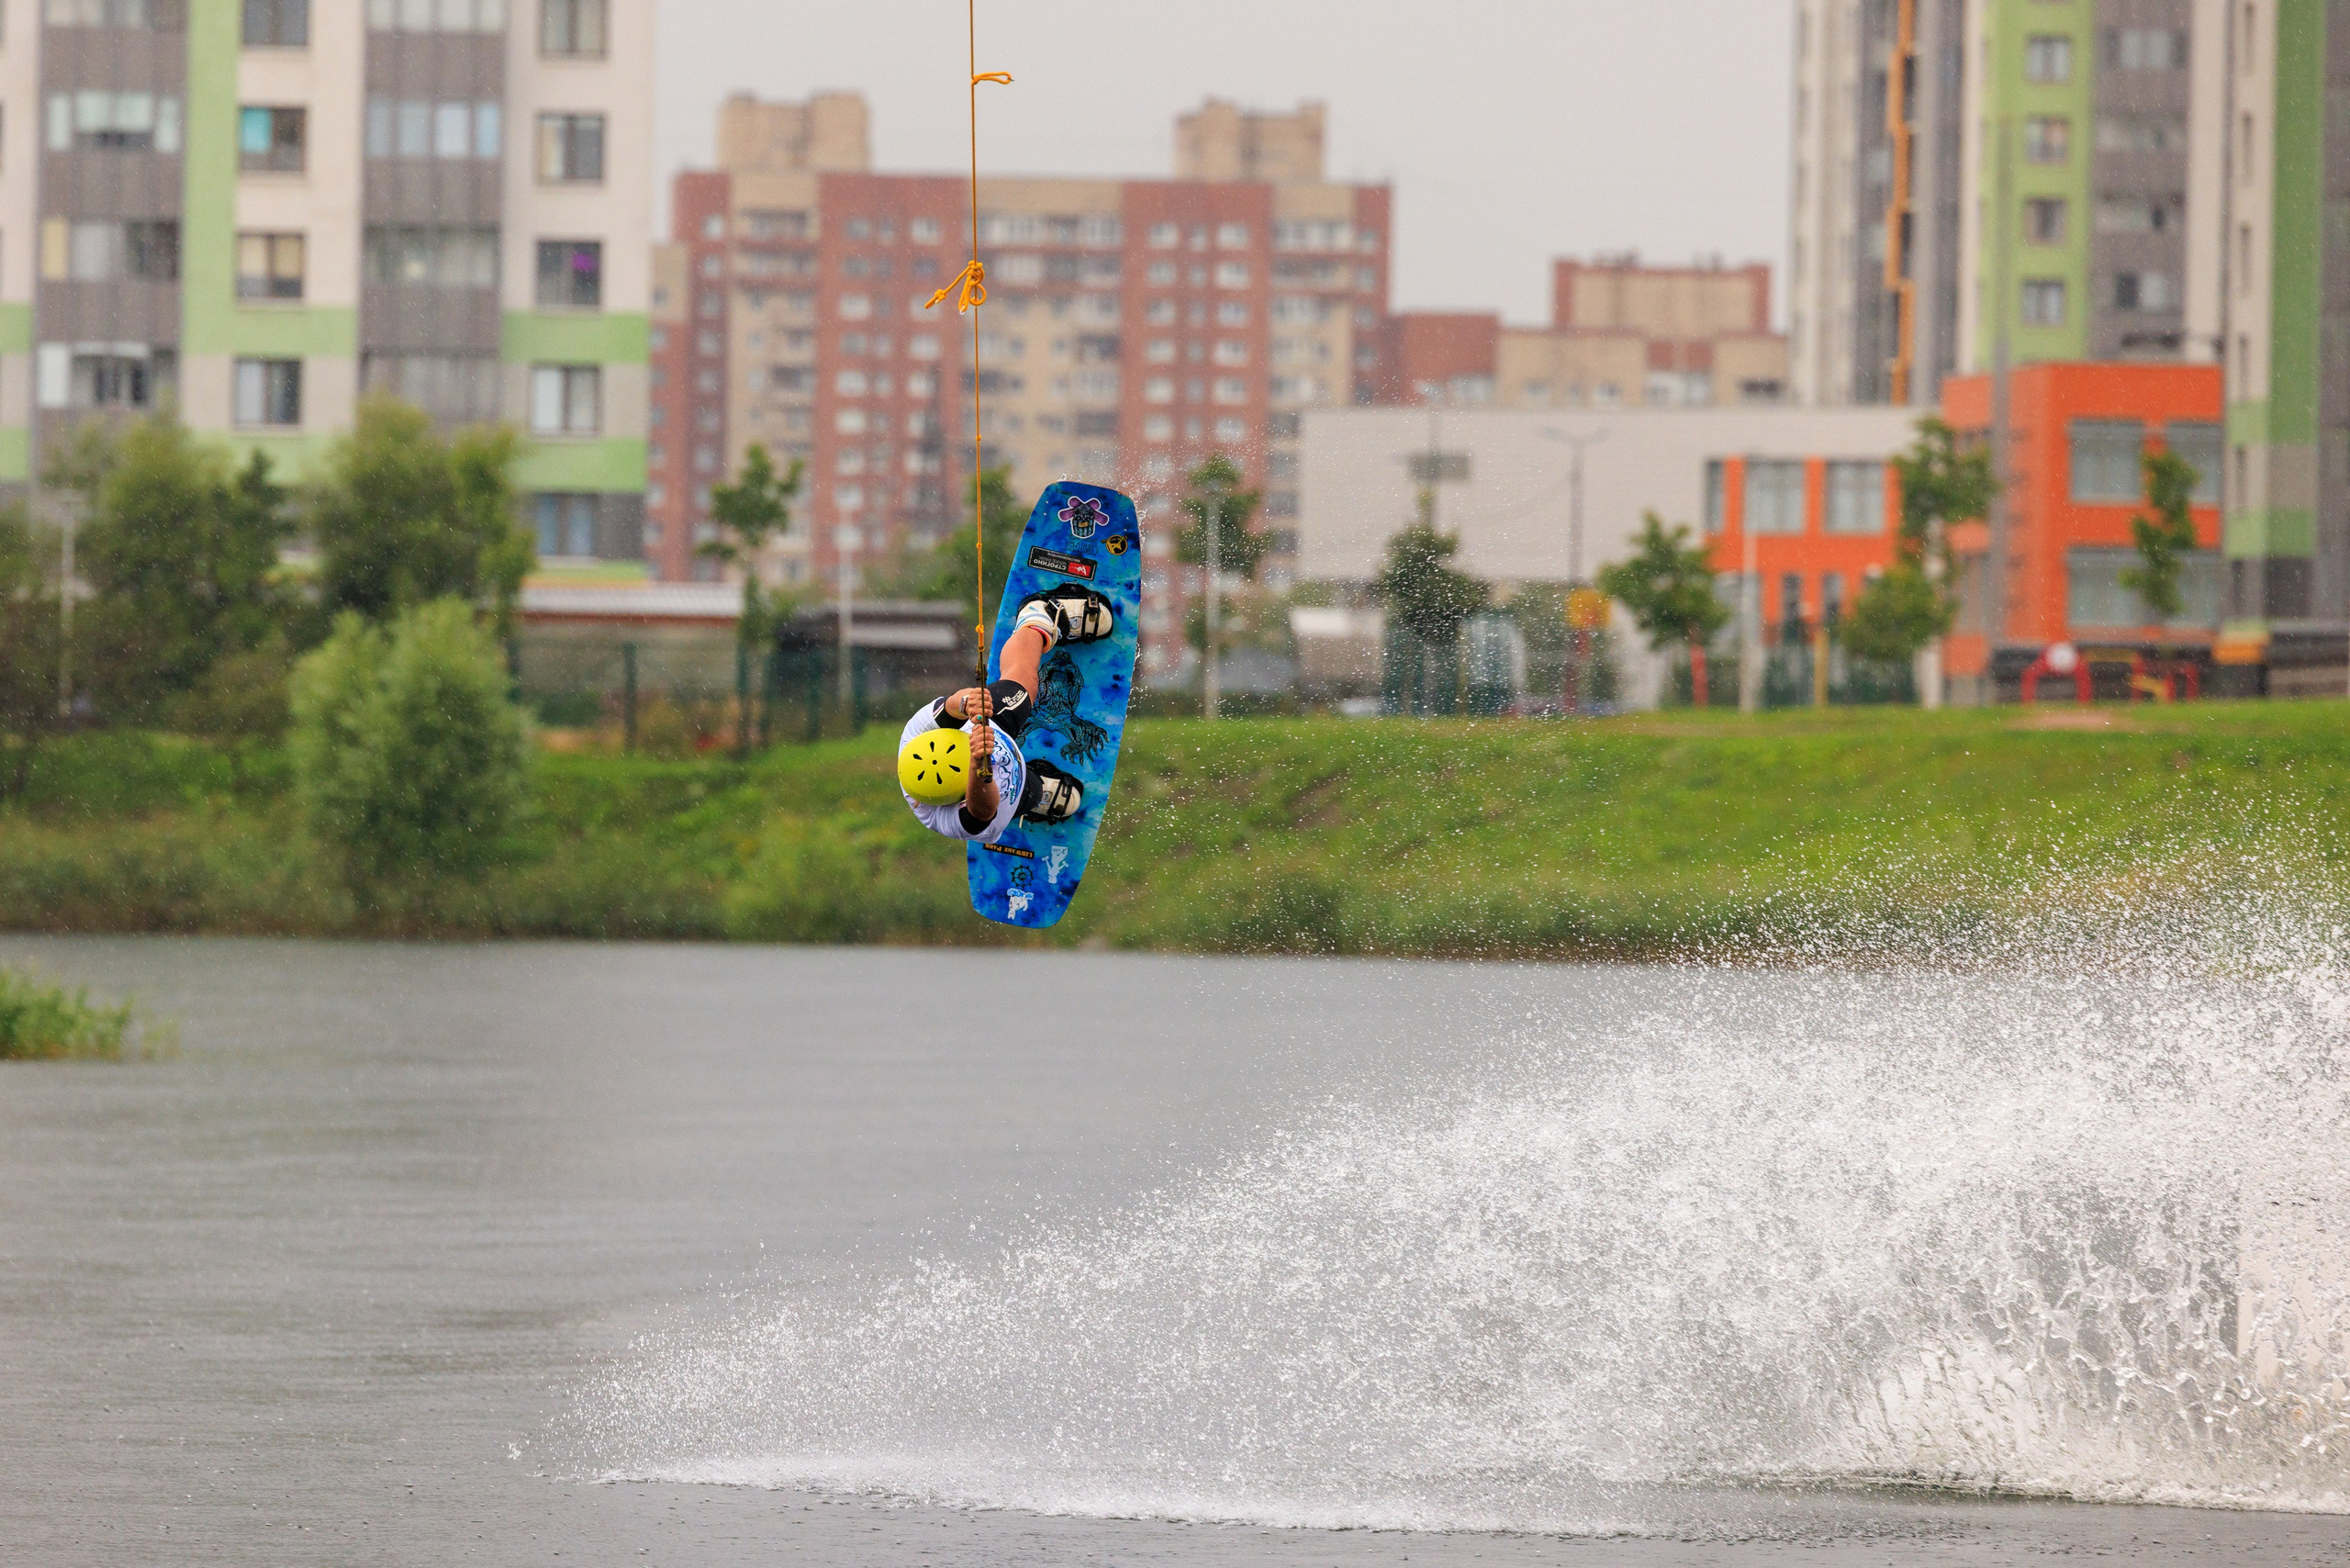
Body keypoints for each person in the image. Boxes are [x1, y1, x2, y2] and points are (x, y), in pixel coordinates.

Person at [896, 585, 1114, 843]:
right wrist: (979, 766)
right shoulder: (944, 819)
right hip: (1009, 791)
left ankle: (1038, 618)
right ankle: (1039, 791)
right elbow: (983, 811)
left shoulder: (914, 737)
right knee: (1030, 792)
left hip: (989, 725)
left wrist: (967, 703)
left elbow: (950, 705)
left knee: (1023, 681)